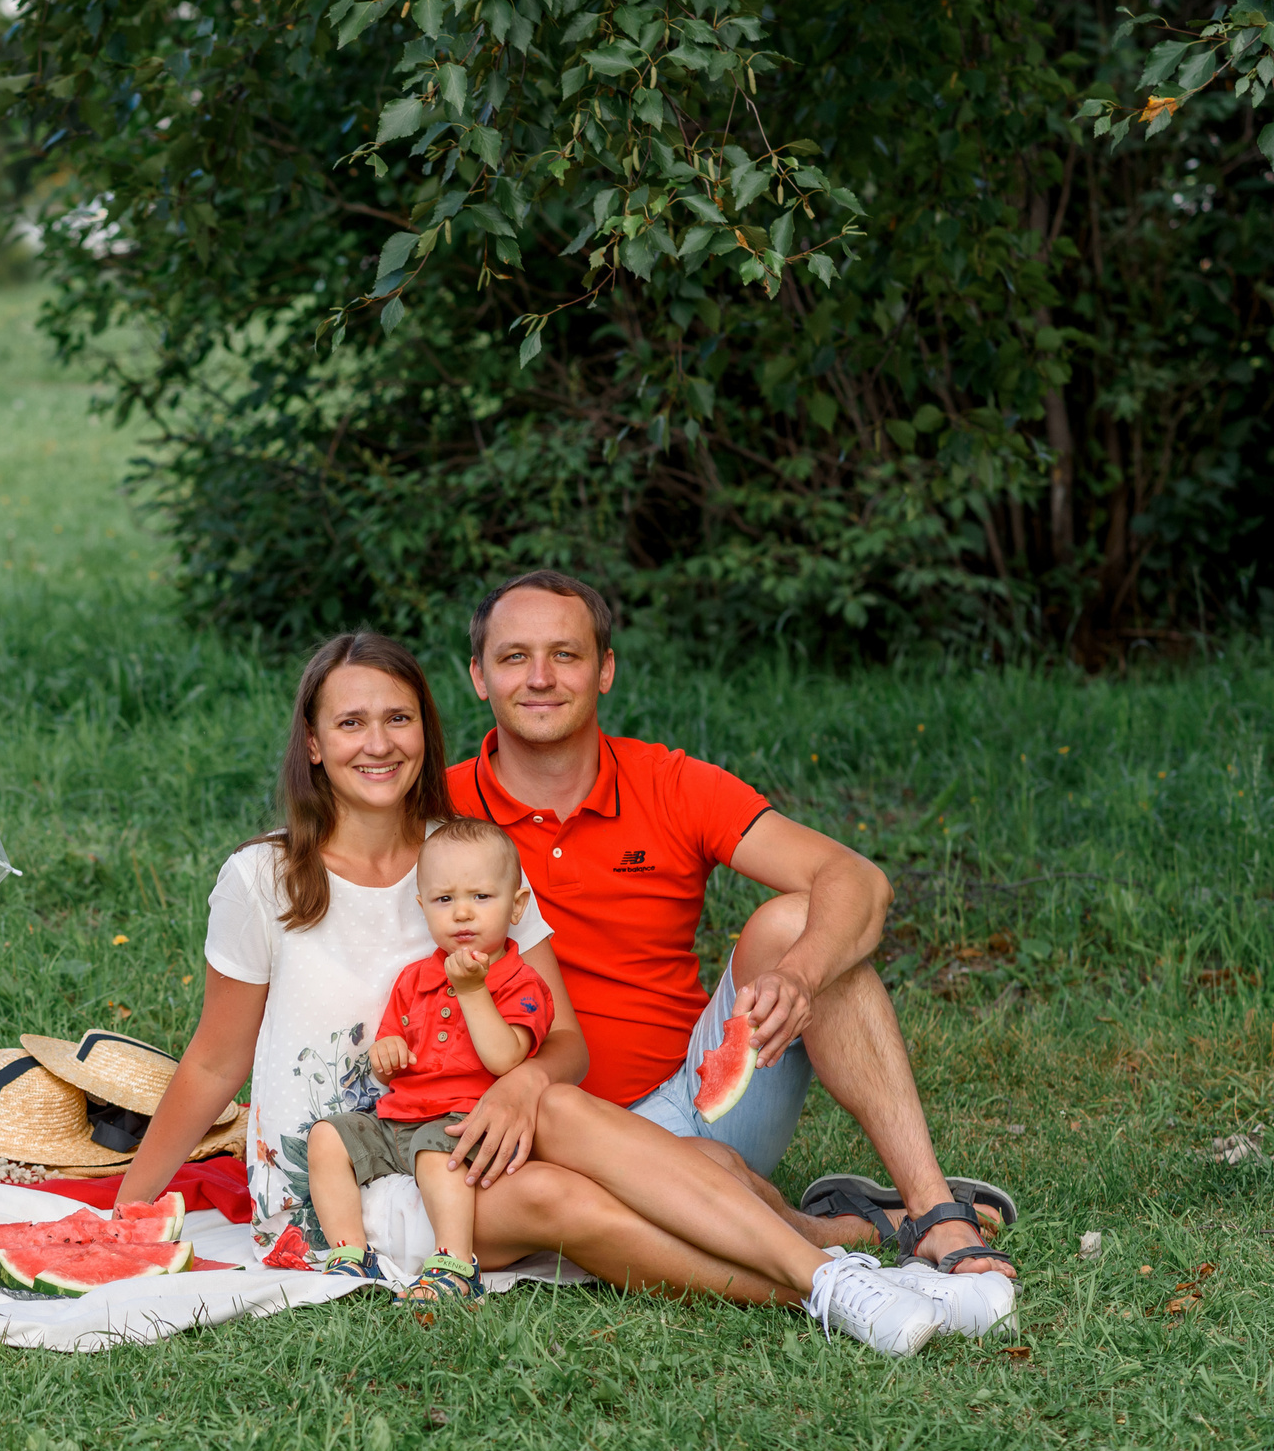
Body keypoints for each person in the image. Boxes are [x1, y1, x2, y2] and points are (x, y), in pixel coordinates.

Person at [117, 631, 945, 1357]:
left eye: (399, 719)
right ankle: (826, 1287)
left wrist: (520, 1083)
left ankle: (843, 1274)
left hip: (464, 1147)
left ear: (427, 732)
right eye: (350, 722)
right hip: (336, 1186)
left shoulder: (473, 858)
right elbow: (214, 1060)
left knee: (632, 1135)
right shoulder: (261, 876)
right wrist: (128, 1207)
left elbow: (565, 1046)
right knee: (565, 1192)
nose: (378, 742)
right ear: (314, 741)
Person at [445, 570, 1017, 1323]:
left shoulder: (669, 781)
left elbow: (857, 880)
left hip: (691, 1103)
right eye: (515, 657)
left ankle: (933, 1209)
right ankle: (822, 1230)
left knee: (800, 924)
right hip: (527, 1130)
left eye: (567, 654)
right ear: (478, 675)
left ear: (606, 670)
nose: (542, 677)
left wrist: (801, 975)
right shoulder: (440, 809)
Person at [304, 819, 553, 1303]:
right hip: (397, 1120)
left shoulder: (522, 983)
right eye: (444, 900)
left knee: (441, 1154)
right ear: (423, 908)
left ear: (517, 905)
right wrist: (386, 1056)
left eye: (481, 897)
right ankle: (349, 1253)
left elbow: (506, 1059)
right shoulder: (414, 978)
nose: (462, 913)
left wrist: (472, 990)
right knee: (327, 1136)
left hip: (465, 1123)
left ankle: (455, 1266)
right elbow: (388, 1054)